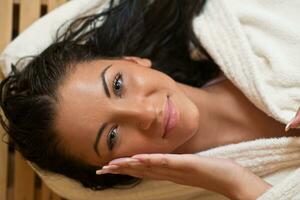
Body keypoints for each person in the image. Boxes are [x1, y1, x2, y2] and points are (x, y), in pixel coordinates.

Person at [0, 0, 299, 199]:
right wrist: (237, 183)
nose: (144, 113)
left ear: (133, 60)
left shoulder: (247, 21)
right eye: (113, 136)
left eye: (118, 84)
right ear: (117, 167)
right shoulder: (223, 192)